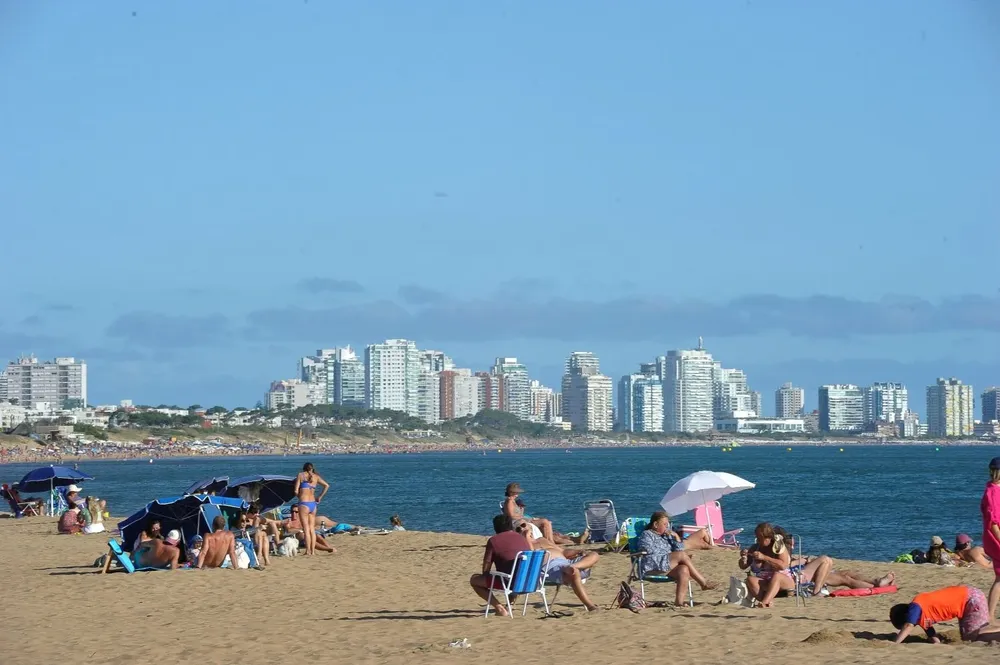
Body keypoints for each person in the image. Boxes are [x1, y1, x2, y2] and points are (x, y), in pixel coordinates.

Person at [515, 521, 600, 612]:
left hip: (567, 562)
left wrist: (577, 552)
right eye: (518, 528)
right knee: (574, 573)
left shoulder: (542, 539)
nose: (522, 528)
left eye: (524, 525)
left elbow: (562, 551)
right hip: (551, 567)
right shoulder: (523, 545)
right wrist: (526, 538)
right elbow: (531, 556)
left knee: (594, 554)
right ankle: (590, 606)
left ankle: (573, 566)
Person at [636, 511, 717, 606]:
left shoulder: (666, 537)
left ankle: (679, 602)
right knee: (681, 555)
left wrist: (676, 537)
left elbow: (679, 549)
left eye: (668, 524)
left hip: (665, 566)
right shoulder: (647, 534)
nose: (667, 527)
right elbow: (646, 549)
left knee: (684, 569)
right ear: (655, 524)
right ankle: (703, 583)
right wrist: (670, 555)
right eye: (665, 524)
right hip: (652, 565)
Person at [890, 585, 1000, 643]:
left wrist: (895, 644)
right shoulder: (923, 617)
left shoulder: (915, 605)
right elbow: (933, 636)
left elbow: (908, 626)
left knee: (972, 637)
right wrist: (937, 643)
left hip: (971, 599)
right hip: (968, 598)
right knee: (966, 636)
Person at [470, 514, 531, 617]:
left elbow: (487, 564)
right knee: (516, 572)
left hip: (510, 583)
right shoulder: (521, 538)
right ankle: (509, 605)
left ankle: (499, 608)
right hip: (528, 581)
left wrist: (485, 574)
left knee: (474, 580)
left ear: (495, 527)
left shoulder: (494, 540)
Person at [502, 483, 583, 545]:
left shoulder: (513, 501)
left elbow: (518, 514)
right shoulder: (509, 501)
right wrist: (528, 518)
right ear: (511, 492)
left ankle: (551, 541)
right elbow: (511, 515)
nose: (518, 494)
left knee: (546, 522)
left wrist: (523, 511)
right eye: (516, 492)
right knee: (544, 523)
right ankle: (552, 542)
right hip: (517, 523)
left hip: (522, 520)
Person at [740, 522, 793, 607]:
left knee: (777, 576)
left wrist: (764, 558)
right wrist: (743, 558)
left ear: (768, 538)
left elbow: (783, 565)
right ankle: (767, 602)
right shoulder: (755, 547)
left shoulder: (778, 546)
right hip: (765, 581)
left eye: (760, 538)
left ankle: (764, 602)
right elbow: (743, 566)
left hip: (784, 580)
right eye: (757, 537)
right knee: (750, 579)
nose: (758, 540)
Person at [294, 462, 329, 556]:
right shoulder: (316, 477)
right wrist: (320, 497)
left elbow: (295, 490)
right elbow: (326, 485)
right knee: (312, 529)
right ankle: (313, 551)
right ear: (312, 469)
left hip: (304, 503)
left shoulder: (301, 475)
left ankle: (308, 551)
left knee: (306, 529)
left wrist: (299, 496)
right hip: (313, 504)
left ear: (304, 468)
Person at [982, 456, 1000, 621]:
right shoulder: (992, 491)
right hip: (996, 539)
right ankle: (990, 615)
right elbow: (993, 522)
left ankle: (990, 614)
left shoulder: (995, 489)